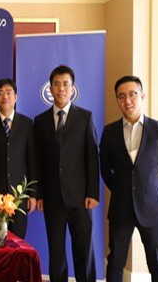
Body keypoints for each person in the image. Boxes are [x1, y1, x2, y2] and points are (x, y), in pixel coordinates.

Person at [34, 65, 99, 282]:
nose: (61, 88)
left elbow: (92, 157)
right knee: (56, 251)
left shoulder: (85, 117)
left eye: (65, 84)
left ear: (72, 89)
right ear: (50, 89)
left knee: (83, 249)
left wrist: (93, 192)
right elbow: (38, 161)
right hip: (53, 197)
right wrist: (39, 194)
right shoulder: (40, 121)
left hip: (80, 197)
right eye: (56, 84)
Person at [100, 76, 158, 282]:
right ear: (117, 100)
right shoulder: (109, 132)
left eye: (132, 94)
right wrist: (120, 189)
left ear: (142, 96)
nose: (127, 101)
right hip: (121, 207)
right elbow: (105, 168)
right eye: (121, 96)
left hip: (152, 208)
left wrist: (155, 190)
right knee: (115, 262)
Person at [0, 78, 36, 238]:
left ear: (16, 97)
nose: (5, 97)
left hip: (19, 198)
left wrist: (33, 194)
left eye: (9, 93)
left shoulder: (27, 124)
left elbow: (32, 161)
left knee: (18, 243)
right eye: (0, 93)